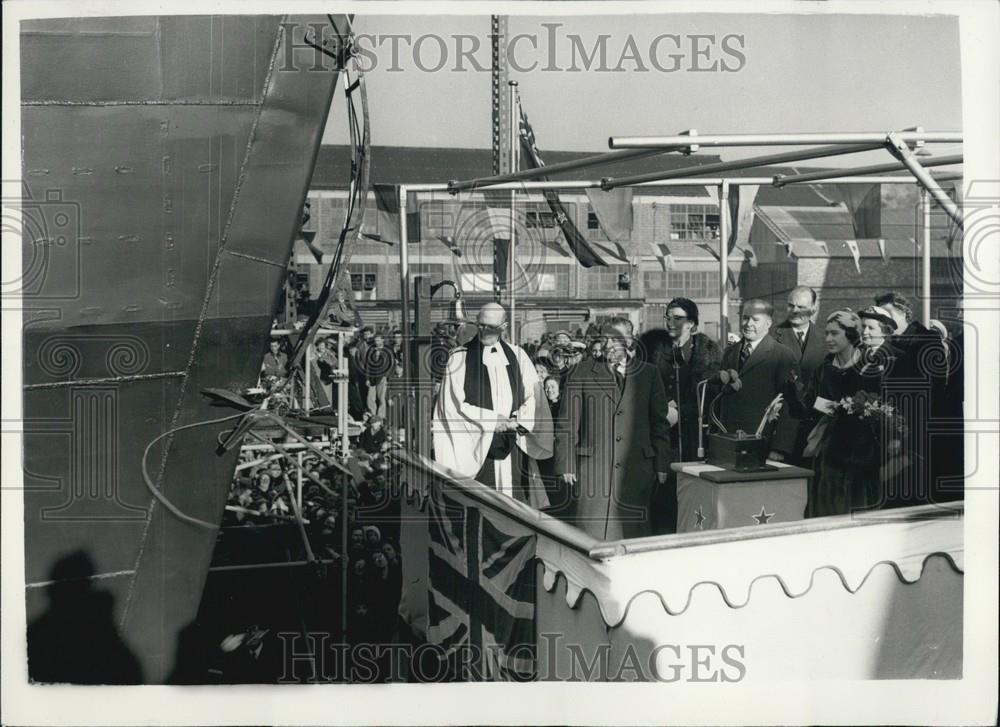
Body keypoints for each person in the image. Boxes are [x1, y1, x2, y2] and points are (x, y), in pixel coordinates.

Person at [553, 326, 671, 540]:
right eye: (603, 339)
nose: (607, 345)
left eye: (614, 339)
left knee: (633, 538)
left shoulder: (649, 373)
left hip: (636, 471)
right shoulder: (581, 372)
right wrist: (566, 462)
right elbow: (567, 423)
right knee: (590, 537)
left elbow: (659, 424)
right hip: (593, 473)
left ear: (629, 341)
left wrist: (661, 464)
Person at [432, 303, 543, 497]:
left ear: (504, 326)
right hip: (478, 447)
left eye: (491, 327)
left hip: (513, 445)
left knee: (514, 507)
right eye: (481, 325)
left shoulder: (518, 356)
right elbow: (451, 406)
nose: (484, 331)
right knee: (480, 507)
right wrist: (493, 420)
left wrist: (517, 420)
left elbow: (535, 396)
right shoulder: (459, 359)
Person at [637, 298, 722, 535]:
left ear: (692, 324)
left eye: (678, 318)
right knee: (663, 502)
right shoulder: (653, 352)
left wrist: (679, 412)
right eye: (668, 317)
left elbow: (712, 397)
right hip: (662, 441)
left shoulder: (709, 353)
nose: (671, 322)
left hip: (697, 441)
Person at [799, 310, 889, 517]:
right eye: (827, 333)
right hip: (826, 453)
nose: (828, 339)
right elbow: (808, 403)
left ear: (851, 335)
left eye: (835, 333)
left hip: (860, 455)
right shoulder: (823, 369)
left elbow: (880, 409)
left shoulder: (871, 367)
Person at [716, 299, 798, 461]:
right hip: (730, 441)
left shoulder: (783, 355)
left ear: (768, 323)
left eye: (755, 319)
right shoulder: (730, 352)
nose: (748, 324)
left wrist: (779, 448)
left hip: (762, 444)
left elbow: (790, 405)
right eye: (745, 318)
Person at [770, 287, 827, 466]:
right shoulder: (770, 336)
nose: (795, 311)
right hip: (779, 435)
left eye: (801, 306)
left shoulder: (827, 338)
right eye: (791, 305)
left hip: (814, 433)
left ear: (814, 308)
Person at [361, 332, 393, 418]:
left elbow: (391, 364)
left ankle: (381, 416)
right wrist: (367, 378)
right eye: (375, 340)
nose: (377, 342)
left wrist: (386, 375)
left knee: (381, 398)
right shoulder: (371, 350)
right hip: (372, 377)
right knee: (370, 398)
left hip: (382, 377)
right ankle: (372, 415)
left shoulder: (388, 351)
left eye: (378, 340)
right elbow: (367, 365)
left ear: (382, 340)